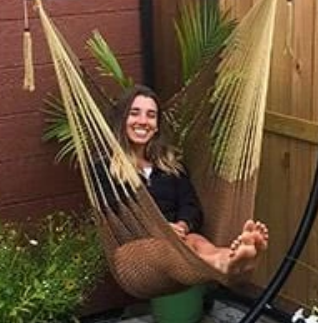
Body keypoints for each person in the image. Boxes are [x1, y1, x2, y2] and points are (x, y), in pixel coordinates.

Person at [110, 84, 268, 276]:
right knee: (169, 250)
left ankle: (228, 260)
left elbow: (190, 205)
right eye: (135, 113)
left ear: (157, 125)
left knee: (198, 242)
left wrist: (183, 225)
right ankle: (223, 263)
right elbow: (115, 213)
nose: (143, 121)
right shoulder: (108, 168)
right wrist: (161, 230)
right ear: (122, 119)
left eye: (151, 115)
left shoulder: (170, 167)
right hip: (135, 249)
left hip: (178, 240)